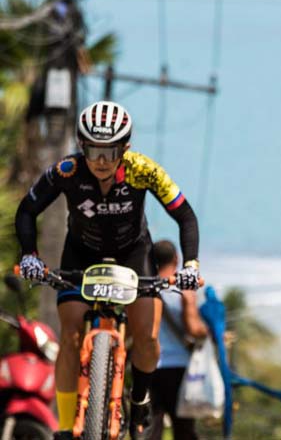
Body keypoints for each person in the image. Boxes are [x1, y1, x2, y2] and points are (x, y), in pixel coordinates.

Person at [15, 101, 203, 440]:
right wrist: (29, 255)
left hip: (133, 253)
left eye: (110, 151)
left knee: (146, 336)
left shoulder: (144, 170)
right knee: (70, 336)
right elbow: (27, 209)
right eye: (93, 150)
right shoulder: (67, 171)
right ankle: (65, 424)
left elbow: (185, 216)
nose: (101, 160)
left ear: (125, 148)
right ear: (81, 145)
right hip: (81, 254)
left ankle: (140, 399)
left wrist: (191, 264)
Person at [149, 240, 208, 440]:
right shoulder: (184, 289)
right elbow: (193, 328)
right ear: (176, 258)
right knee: (184, 430)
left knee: (151, 429)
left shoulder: (145, 288)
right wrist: (210, 331)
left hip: (148, 366)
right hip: (178, 368)